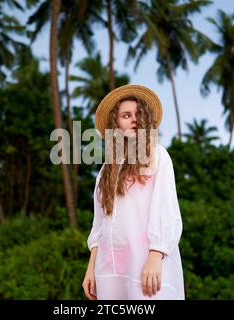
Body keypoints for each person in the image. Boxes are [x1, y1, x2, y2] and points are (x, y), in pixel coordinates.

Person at [82, 84, 185, 300]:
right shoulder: (106, 170)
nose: (133, 119)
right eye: (126, 115)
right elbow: (100, 223)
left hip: (146, 264)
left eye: (138, 114)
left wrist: (156, 254)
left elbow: (166, 209)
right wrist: (91, 268)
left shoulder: (157, 155)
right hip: (109, 270)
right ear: (115, 124)